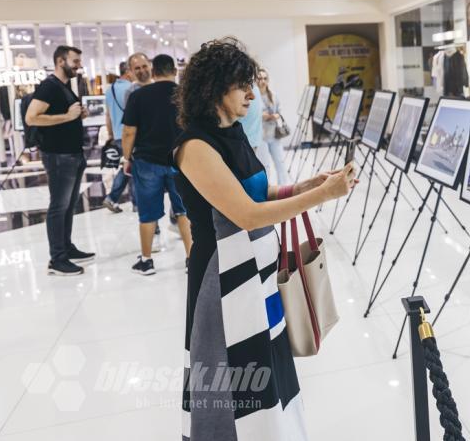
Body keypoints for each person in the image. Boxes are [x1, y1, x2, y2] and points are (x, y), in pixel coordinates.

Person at [172, 38, 356, 439]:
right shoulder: (195, 147)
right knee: (230, 372)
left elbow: (259, 192)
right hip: (222, 278)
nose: (252, 94)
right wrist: (320, 197)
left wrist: (308, 185)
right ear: (214, 88)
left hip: (257, 266)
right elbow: (244, 213)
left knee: (264, 359)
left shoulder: (233, 132)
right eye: (242, 85)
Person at [25, 45, 95, 276]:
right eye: (75, 61)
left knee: (68, 205)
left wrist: (77, 115)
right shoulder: (48, 87)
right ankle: (57, 258)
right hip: (58, 156)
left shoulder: (64, 87)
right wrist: (67, 116)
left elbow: (67, 115)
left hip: (71, 153)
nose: (79, 65)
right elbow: (32, 117)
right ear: (60, 61)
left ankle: (66, 247)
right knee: (59, 206)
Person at [122, 54, 192, 275]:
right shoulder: (185, 95)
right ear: (174, 71)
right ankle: (192, 258)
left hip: (147, 161)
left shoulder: (139, 96)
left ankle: (146, 260)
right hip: (179, 160)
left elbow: (129, 131)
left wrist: (126, 157)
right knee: (183, 211)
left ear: (153, 72)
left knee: (148, 214)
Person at [103, 61, 134, 213]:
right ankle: (137, 203)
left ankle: (112, 198)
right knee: (134, 167)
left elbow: (108, 115)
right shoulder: (131, 88)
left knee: (127, 167)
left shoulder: (110, 90)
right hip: (131, 134)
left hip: (117, 134)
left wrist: (110, 134)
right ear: (128, 72)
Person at [256, 68, 292, 184]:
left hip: (274, 134)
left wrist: (275, 115)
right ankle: (267, 190)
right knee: (265, 165)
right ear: (256, 80)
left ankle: (283, 188)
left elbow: (279, 111)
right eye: (260, 78)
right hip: (261, 136)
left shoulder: (273, 95)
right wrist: (262, 115)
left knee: (280, 163)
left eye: (265, 78)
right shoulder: (254, 96)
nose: (262, 81)